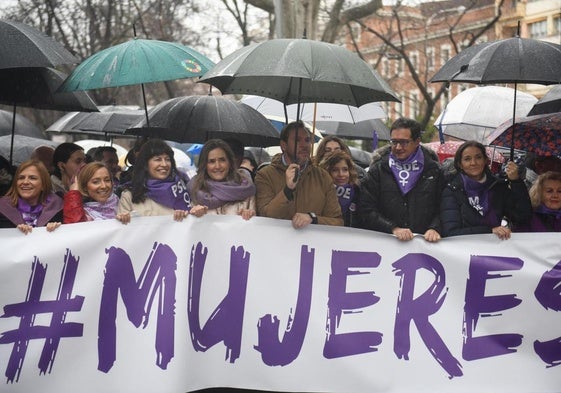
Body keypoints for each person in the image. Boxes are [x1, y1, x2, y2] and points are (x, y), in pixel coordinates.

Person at [358, 117, 444, 242]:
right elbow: (365, 209)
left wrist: (435, 228)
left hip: (425, 247)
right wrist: (393, 228)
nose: (398, 147)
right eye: (394, 142)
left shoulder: (434, 171)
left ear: (417, 141)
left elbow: (445, 207)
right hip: (387, 244)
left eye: (404, 142)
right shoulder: (378, 170)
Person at [255, 120, 343, 228]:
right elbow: (265, 216)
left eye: (307, 140)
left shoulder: (323, 176)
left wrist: (313, 218)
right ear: (284, 145)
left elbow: (337, 221)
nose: (304, 145)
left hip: (310, 244)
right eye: (297, 140)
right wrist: (287, 190)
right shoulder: (265, 175)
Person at [440, 140, 533, 239]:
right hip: (464, 251)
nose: (473, 163)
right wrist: (489, 231)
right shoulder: (452, 190)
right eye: (467, 159)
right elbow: (450, 232)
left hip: (493, 249)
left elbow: (523, 217)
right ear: (460, 164)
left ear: (485, 160)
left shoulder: (497, 187)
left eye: (478, 157)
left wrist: (516, 182)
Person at [117, 139, 206, 220]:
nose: (164, 164)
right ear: (145, 164)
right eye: (158, 159)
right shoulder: (129, 195)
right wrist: (123, 219)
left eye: (167, 159)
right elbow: (123, 233)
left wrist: (195, 213)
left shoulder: (182, 189)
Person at [187, 139, 256, 219]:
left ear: (229, 162)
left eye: (222, 160)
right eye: (212, 161)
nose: (218, 166)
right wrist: (193, 215)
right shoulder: (195, 190)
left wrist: (249, 216)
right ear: (204, 165)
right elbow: (187, 226)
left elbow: (251, 228)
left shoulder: (246, 188)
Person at [0, 160, 62, 234]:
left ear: (43, 184)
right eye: (21, 178)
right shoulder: (2, 208)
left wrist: (57, 231)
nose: (25, 182)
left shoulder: (58, 207)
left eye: (32, 178)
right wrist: (13, 233)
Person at [63, 162, 130, 224]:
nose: (104, 186)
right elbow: (75, 229)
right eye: (96, 182)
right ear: (84, 187)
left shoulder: (122, 202)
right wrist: (73, 194)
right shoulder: (83, 212)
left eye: (107, 180)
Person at [318, 151, 359, 227]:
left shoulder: (358, 192)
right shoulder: (318, 193)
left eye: (345, 170)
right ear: (327, 172)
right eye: (335, 170)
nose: (341, 174)